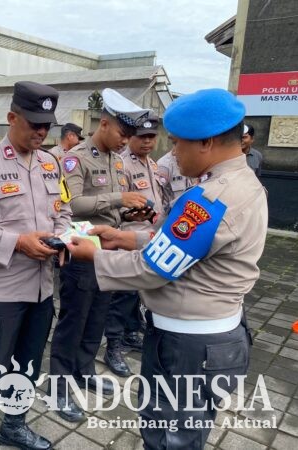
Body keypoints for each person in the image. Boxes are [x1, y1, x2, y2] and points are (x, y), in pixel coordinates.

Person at [68, 88, 267, 450]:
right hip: (210, 338)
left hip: (187, 346)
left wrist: (94, 256)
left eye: (177, 143)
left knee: (170, 437)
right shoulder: (243, 183)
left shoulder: (210, 199)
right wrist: (124, 237)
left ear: (206, 142)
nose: (172, 152)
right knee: (179, 432)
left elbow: (154, 268)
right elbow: (188, 246)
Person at [0, 81, 71, 450]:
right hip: (0, 292)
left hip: (41, 290)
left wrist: (62, 240)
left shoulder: (51, 163)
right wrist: (17, 242)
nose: (41, 132)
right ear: (11, 118)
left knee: (28, 366)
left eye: (46, 125)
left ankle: (13, 426)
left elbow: (64, 211)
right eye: (34, 123)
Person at [48, 88, 149, 422]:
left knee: (98, 317)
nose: (126, 141)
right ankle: (59, 385)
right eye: (123, 133)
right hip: (81, 251)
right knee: (74, 320)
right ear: (104, 123)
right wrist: (120, 198)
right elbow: (72, 204)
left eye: (130, 136)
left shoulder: (116, 160)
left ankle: (84, 369)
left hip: (109, 251)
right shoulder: (74, 158)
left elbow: (111, 209)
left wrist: (131, 213)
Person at [106, 111, 170, 377]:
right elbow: (117, 205)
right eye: (142, 137)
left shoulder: (152, 164)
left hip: (150, 237)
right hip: (128, 237)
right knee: (123, 295)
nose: (147, 142)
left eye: (151, 137)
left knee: (138, 293)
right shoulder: (121, 164)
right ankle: (113, 345)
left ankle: (131, 332)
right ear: (131, 137)